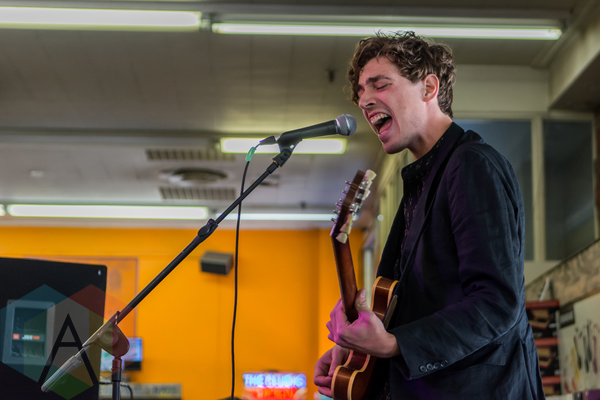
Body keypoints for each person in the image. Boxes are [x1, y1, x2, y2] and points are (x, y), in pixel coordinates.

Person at [314, 32, 545, 399]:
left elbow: (496, 302)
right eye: (360, 92)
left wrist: (393, 344)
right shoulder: (422, 183)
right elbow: (407, 311)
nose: (364, 100)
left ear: (429, 87)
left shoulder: (472, 165)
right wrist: (360, 351)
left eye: (380, 84)